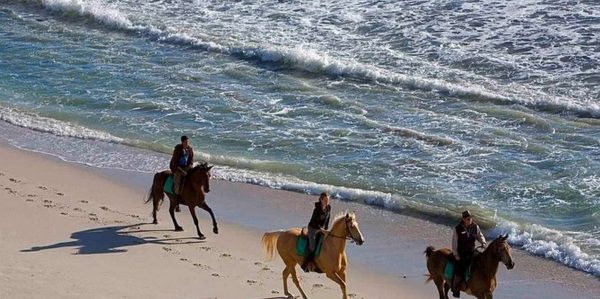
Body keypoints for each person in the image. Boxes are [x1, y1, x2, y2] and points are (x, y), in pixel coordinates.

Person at [451, 210, 487, 298]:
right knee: (460, 268)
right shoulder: (457, 229)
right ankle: (455, 288)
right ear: (463, 219)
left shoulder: (475, 227)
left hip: (472, 251)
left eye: (470, 218)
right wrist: (456, 254)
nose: (469, 220)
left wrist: (483, 242)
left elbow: (480, 235)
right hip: (462, 253)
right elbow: (454, 243)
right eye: (467, 218)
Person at [301, 192, 331, 273]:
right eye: (325, 200)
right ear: (321, 199)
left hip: (322, 229)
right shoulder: (317, 209)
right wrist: (321, 230)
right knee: (313, 247)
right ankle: (305, 264)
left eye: (328, 200)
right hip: (313, 228)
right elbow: (314, 222)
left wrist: (326, 230)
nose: (327, 202)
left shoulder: (328, 207)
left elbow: (327, 220)